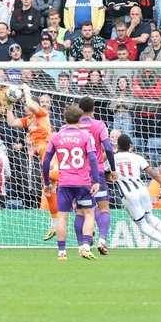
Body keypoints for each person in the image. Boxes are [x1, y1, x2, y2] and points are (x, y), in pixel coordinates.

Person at [42, 105, 102, 261]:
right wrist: (96, 181)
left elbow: (46, 161)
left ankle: (62, 252)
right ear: (80, 120)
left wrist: (47, 182)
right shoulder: (85, 136)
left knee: (62, 217)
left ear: (64, 119)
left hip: (64, 182)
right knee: (89, 214)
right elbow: (93, 160)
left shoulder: (56, 137)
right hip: (83, 182)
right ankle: (85, 247)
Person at [1, 84, 57, 239]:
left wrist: (27, 92)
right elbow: (11, 122)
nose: (25, 106)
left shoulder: (41, 113)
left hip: (49, 150)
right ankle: (55, 223)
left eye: (26, 104)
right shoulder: (29, 120)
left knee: (54, 181)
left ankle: (80, 209)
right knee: (50, 189)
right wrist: (10, 105)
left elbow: (32, 104)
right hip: (42, 154)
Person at [113, 134, 161, 251]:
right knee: (150, 216)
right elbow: (154, 174)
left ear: (117, 146)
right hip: (142, 189)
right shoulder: (137, 157)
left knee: (142, 224)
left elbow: (106, 175)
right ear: (130, 146)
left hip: (128, 193)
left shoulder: (112, 158)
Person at [78, 96, 117, 255]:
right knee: (103, 207)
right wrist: (112, 168)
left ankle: (85, 241)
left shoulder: (74, 126)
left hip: (79, 173)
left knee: (82, 209)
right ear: (93, 109)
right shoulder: (99, 125)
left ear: (79, 110)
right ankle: (102, 240)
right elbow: (108, 147)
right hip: (98, 172)